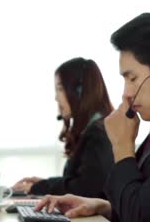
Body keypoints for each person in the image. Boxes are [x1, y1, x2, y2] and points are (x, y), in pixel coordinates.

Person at [35, 13, 150, 222]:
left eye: (132, 78)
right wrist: (104, 207)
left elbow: (141, 216)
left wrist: (123, 147)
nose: (127, 93)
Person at [12, 57, 114, 198]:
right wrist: (45, 184)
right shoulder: (93, 128)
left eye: (60, 88)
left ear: (79, 92)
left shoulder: (98, 133)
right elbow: (81, 180)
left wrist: (39, 187)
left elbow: (86, 188)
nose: (56, 97)